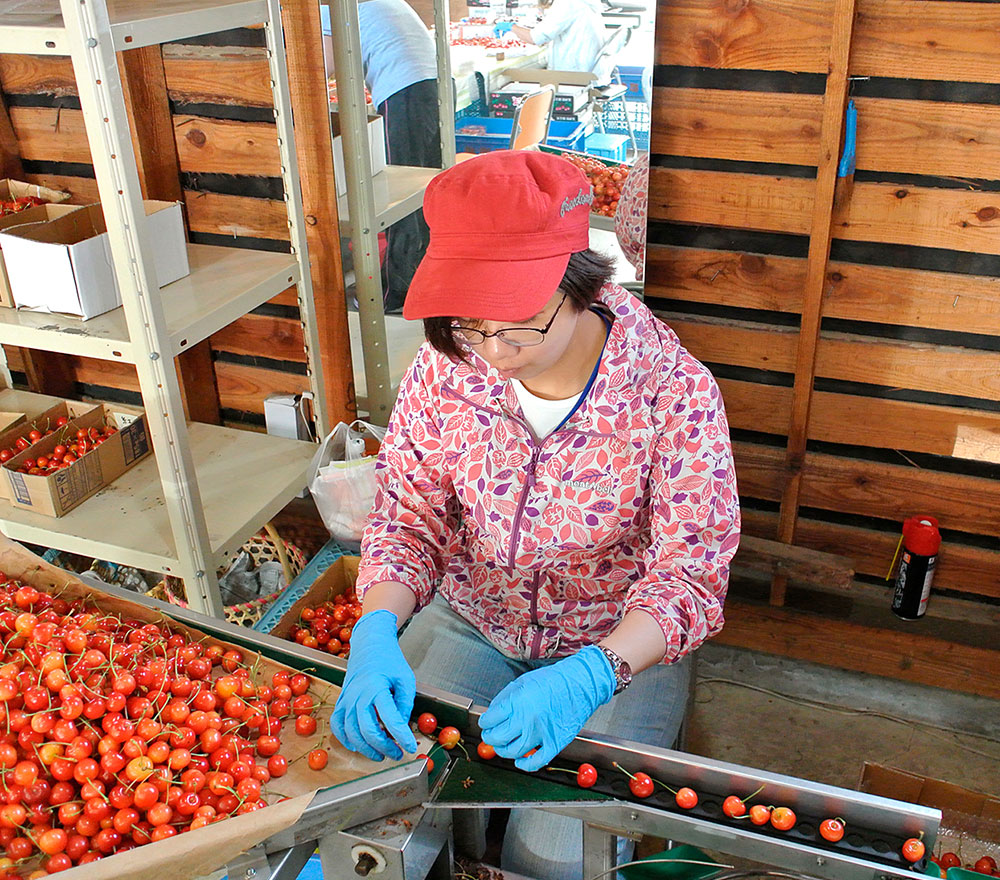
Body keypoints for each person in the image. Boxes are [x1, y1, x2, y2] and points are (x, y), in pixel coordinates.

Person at [331, 150, 740, 879]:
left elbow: (689, 579)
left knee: (552, 858)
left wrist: (593, 672)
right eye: (470, 325)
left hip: (614, 650)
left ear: (580, 284)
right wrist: (374, 628)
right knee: (393, 805)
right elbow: (408, 517)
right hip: (475, 620)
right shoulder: (448, 364)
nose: (492, 353)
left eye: (517, 327)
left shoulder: (671, 394)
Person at [322, 0, 440, 312]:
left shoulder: (328, 8)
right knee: (421, 188)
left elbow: (322, 66)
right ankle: (425, 277)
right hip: (430, 84)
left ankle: (394, 293)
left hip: (403, 90)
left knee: (399, 194)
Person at [503, 0, 616, 85]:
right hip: (593, 72)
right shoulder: (583, 3)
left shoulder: (567, 3)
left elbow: (535, 38)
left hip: (577, 76)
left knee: (510, 77)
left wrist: (510, 27)